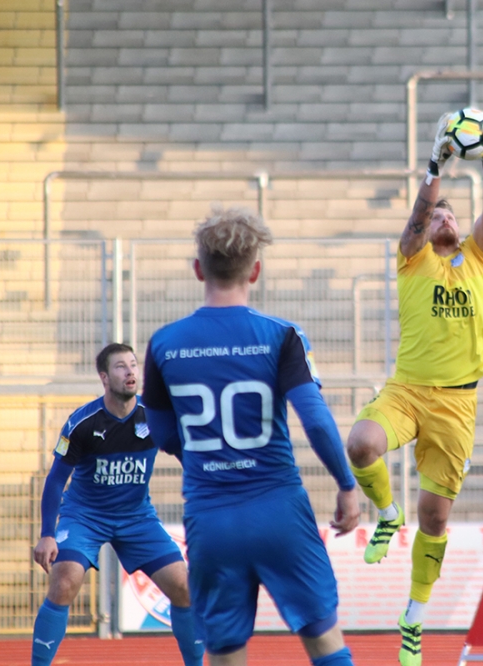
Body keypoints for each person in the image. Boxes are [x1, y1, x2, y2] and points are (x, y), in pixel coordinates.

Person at [142, 207, 360, 666]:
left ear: (199, 269)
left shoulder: (163, 343)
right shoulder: (281, 335)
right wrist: (345, 485)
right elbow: (316, 421)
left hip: (211, 518)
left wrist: (208, 457)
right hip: (279, 510)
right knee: (325, 643)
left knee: (224, 655)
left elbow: (161, 433)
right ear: (255, 271)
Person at [345, 112, 483, 666]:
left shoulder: (480, 255)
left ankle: (413, 616)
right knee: (360, 443)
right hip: (408, 391)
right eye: (437, 214)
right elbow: (417, 215)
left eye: (450, 213)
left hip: (458, 402)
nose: (444, 218)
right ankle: (386, 514)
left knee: (435, 519)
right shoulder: (412, 259)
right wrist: (436, 167)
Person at [31, 343, 203, 666]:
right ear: (104, 378)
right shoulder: (82, 422)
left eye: (134, 365)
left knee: (184, 587)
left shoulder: (156, 417)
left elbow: (190, 461)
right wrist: (47, 534)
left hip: (137, 517)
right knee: (64, 581)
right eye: (121, 367)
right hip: (85, 516)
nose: (130, 372)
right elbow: (55, 481)